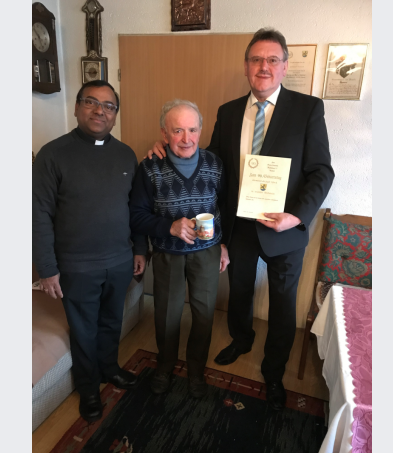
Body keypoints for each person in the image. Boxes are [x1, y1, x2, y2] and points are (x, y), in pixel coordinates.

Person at [147, 28, 335, 410]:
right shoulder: (229, 111)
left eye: (271, 60)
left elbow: (321, 172)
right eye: (255, 60)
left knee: (283, 304)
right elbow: (211, 161)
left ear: (284, 67)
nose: (262, 67)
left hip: (284, 229)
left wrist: (296, 216)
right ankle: (241, 339)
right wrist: (168, 149)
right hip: (239, 226)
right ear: (246, 67)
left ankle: (273, 370)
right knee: (240, 293)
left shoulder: (308, 109)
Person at [33, 80, 147, 422]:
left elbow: (136, 208)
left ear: (115, 115)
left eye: (109, 105)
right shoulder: (53, 154)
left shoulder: (126, 154)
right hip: (76, 266)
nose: (100, 110)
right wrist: (47, 268)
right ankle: (88, 389)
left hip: (120, 260)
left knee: (112, 320)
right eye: (90, 102)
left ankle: (109, 368)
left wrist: (139, 249)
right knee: (84, 330)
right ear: (77, 107)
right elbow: (38, 214)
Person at [130, 100, 229, 398]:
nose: (186, 138)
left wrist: (224, 244)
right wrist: (169, 227)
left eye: (192, 129)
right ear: (164, 133)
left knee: (203, 313)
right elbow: (136, 215)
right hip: (167, 253)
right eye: (177, 131)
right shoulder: (149, 168)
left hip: (208, 252)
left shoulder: (215, 164)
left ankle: (196, 368)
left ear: (200, 130)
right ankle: (165, 364)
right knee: (167, 314)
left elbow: (225, 206)